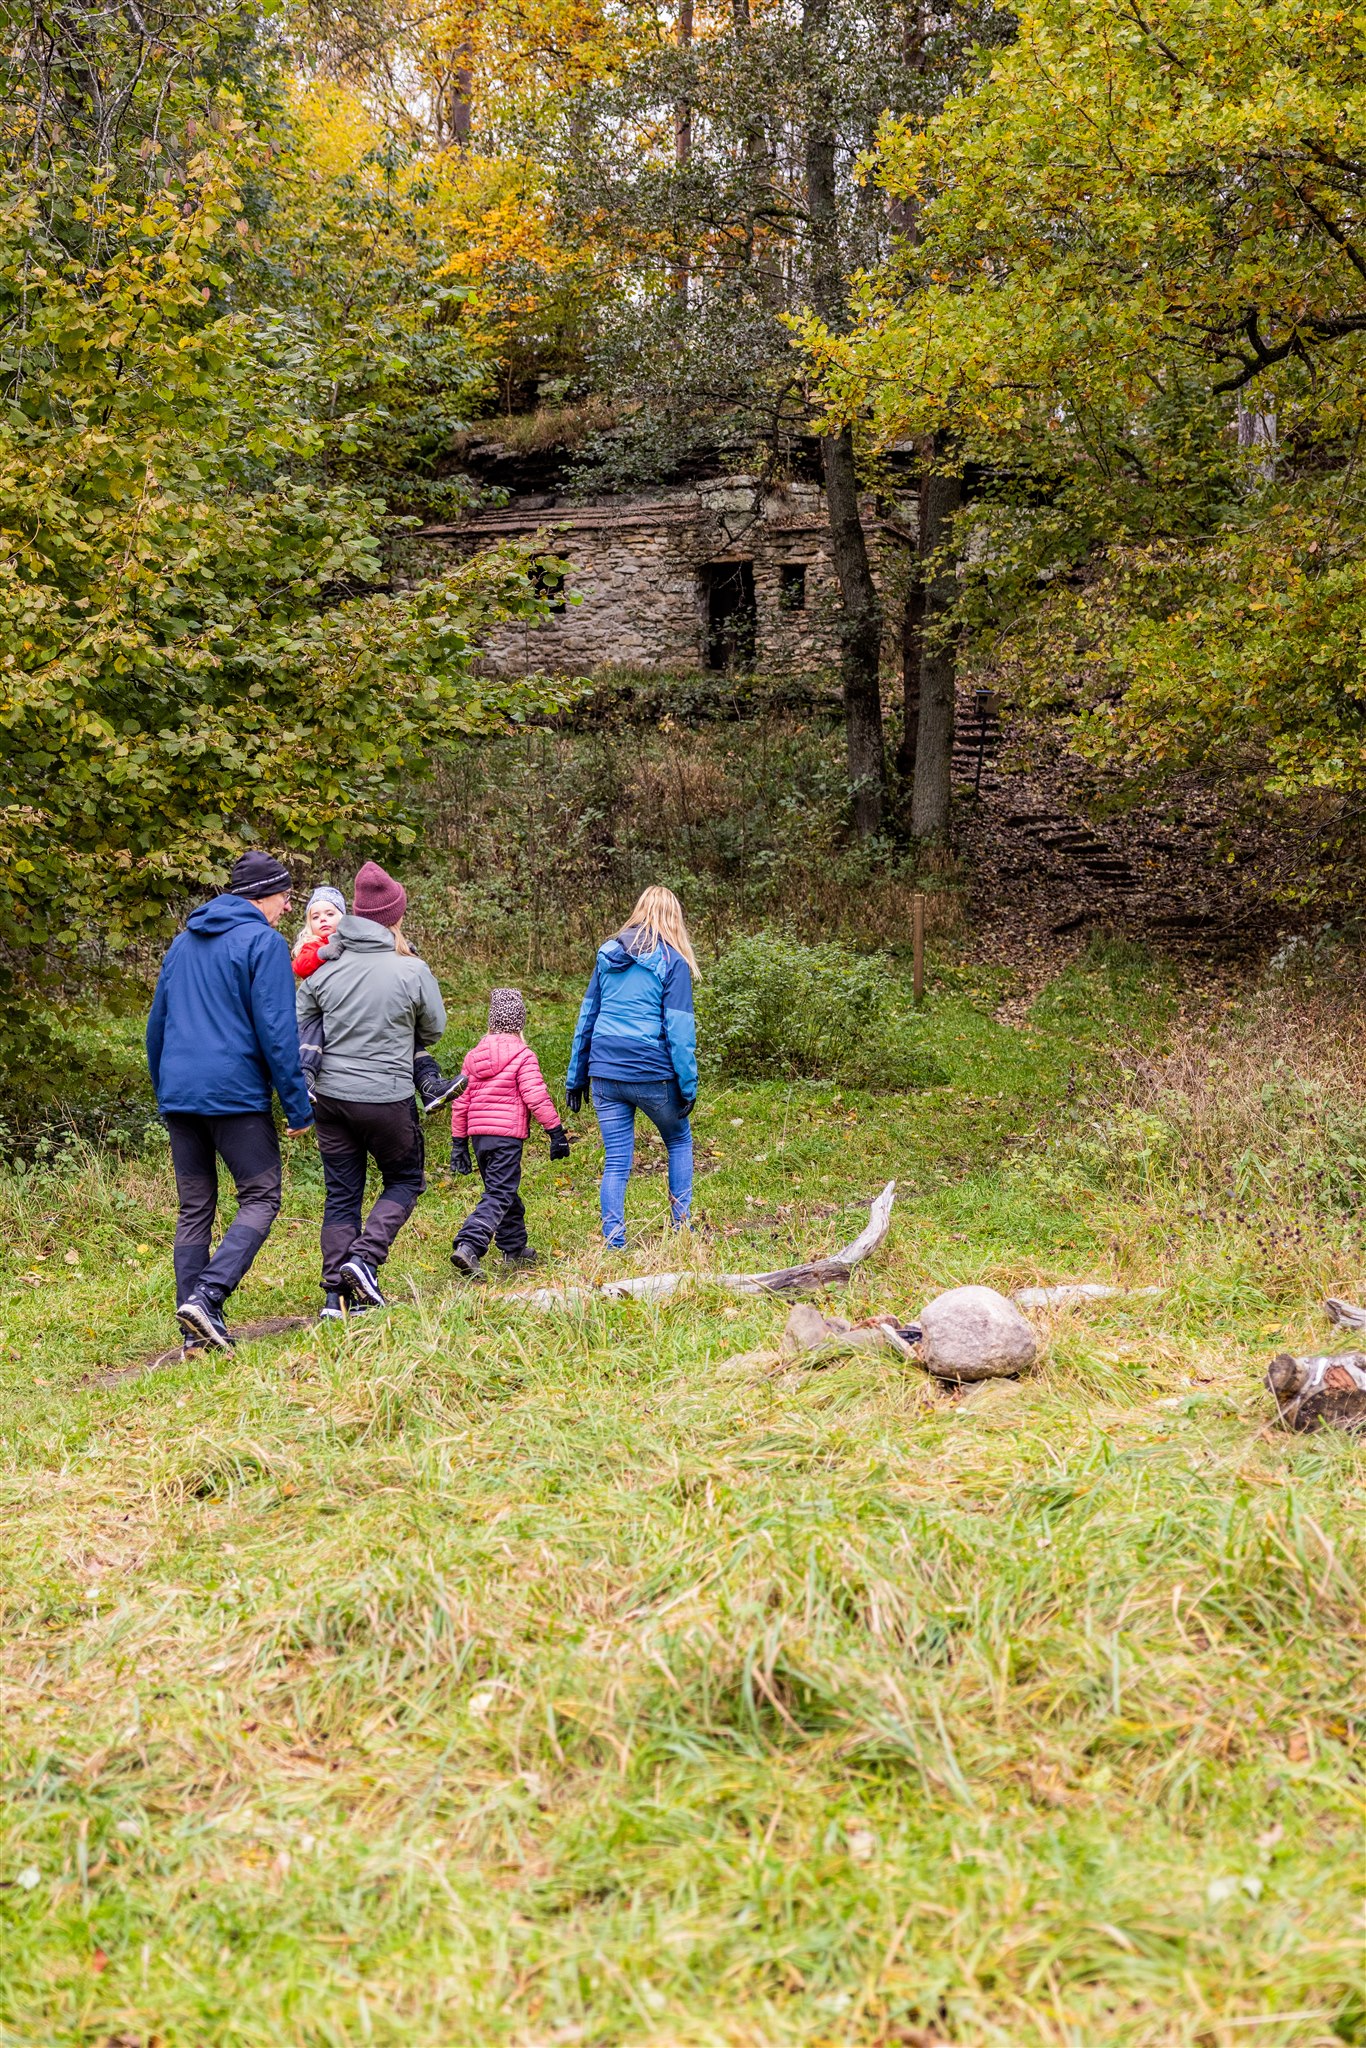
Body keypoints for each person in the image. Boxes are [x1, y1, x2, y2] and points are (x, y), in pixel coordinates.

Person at [145, 850, 314, 1353]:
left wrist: (165, 1089)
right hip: (234, 1096)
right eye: (286, 898)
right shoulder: (263, 942)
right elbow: (278, 1033)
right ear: (266, 897)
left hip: (180, 1094)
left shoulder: (182, 942)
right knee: (261, 1195)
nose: (288, 909)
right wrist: (298, 1106)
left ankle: (193, 1336)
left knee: (195, 1207)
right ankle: (208, 1296)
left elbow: (156, 1025)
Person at [295, 861, 446, 1319]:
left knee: (342, 1194)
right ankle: (364, 1260)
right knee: (405, 1179)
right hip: (386, 1097)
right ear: (394, 916)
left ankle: (334, 1299)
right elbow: (433, 1029)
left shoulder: (321, 969)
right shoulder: (411, 969)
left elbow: (302, 1023)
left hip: (330, 1099)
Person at [564, 885, 698, 1250]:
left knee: (617, 1160)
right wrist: (688, 1086)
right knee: (679, 1140)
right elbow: (680, 1030)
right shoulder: (673, 961)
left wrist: (576, 1077)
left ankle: (613, 1241)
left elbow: (587, 1017)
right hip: (651, 1072)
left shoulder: (607, 955)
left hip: (605, 1072)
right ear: (674, 918)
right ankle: (681, 1229)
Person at [293, 884, 464, 1115]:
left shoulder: (353, 943)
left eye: (330, 913)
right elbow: (300, 969)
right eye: (316, 916)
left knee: (402, 1026)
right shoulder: (314, 946)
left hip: (336, 1087)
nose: (323, 920)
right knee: (313, 1030)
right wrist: (321, 954)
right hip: (326, 1018)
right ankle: (305, 1076)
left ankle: (428, 1082)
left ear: (346, 918)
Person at [449, 988, 571, 1281]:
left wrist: (458, 1144)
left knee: (504, 1191)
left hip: (480, 1137)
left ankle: (514, 1249)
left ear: (491, 1021)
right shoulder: (523, 1055)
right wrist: (555, 1132)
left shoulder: (473, 1056)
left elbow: (460, 1101)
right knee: (500, 1192)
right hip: (505, 1137)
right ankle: (469, 1245)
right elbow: (536, 1096)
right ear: (519, 1022)